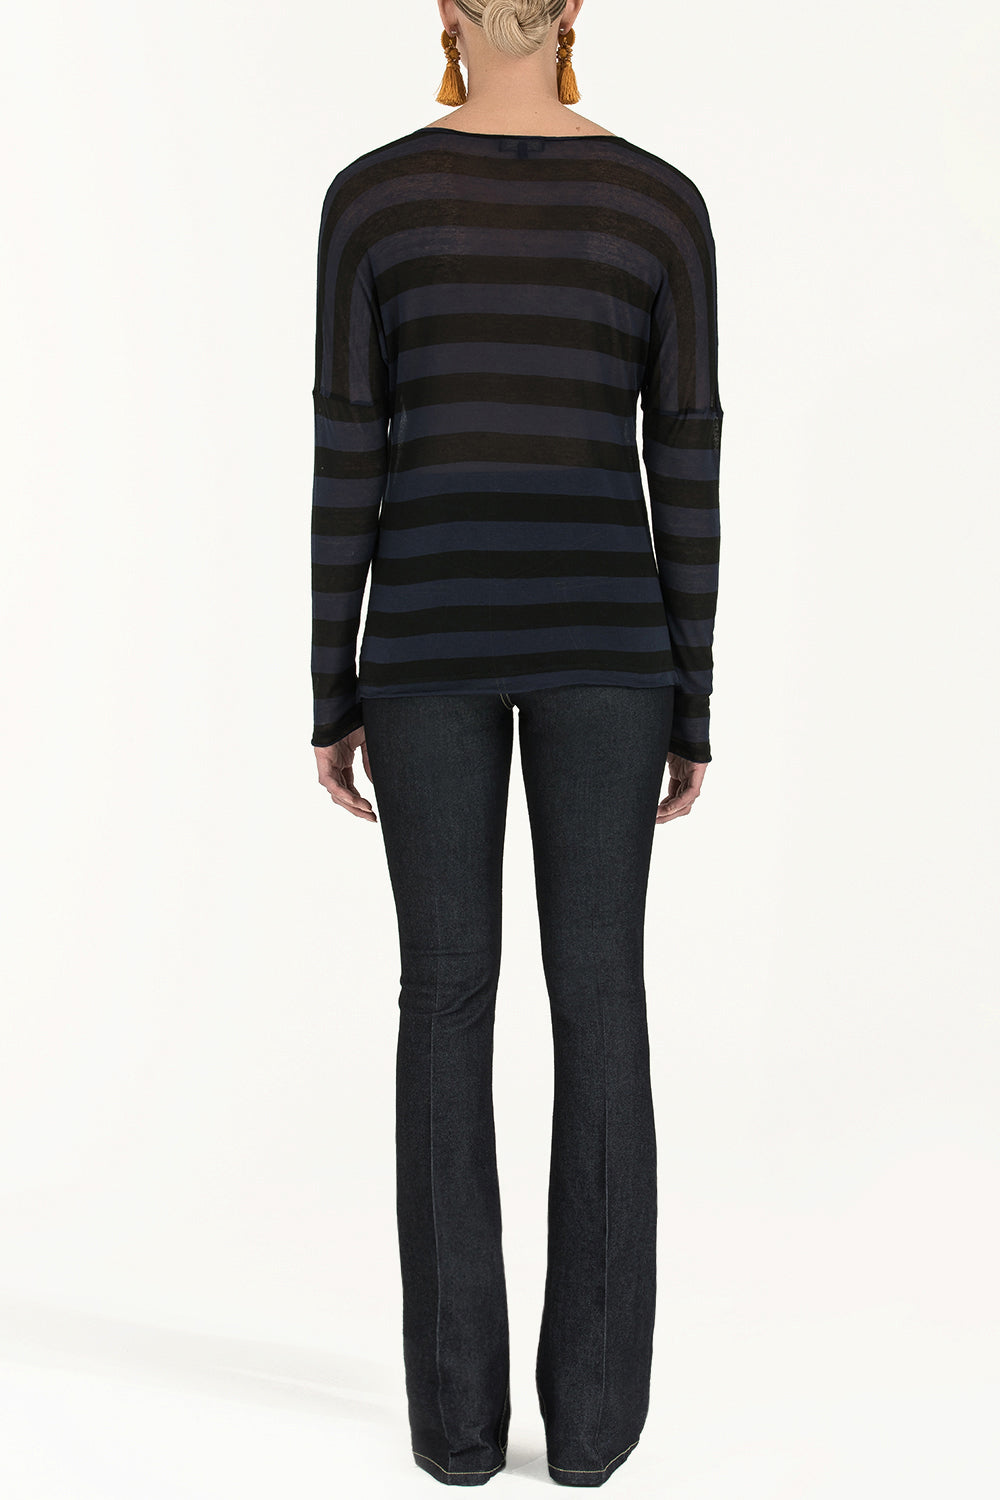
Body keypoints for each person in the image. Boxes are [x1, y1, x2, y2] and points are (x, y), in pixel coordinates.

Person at [310, 0, 723, 1485]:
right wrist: (692, 695)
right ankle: (595, 1429)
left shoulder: (374, 200)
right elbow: (687, 458)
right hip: (613, 652)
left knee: (445, 1003)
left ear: (446, 12)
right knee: (600, 1003)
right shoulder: (657, 205)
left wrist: (331, 686)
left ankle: (458, 1428)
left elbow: (347, 449)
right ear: (573, 11)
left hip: (425, 647)